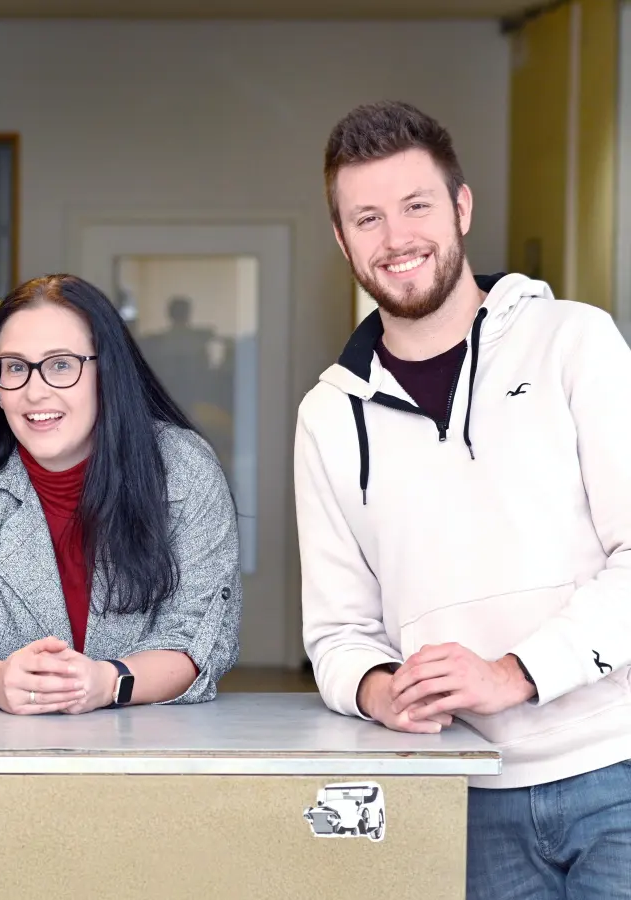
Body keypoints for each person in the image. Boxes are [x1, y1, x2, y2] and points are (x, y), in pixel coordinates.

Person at [298, 100, 631, 898]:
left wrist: (516, 672)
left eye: (416, 205)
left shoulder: (575, 342)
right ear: (343, 241)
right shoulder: (328, 417)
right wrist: (380, 691)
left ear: (461, 207)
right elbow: (338, 633)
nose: (396, 237)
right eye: (367, 218)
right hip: (458, 794)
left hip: (616, 769)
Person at [0, 274, 242, 714]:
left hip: (145, 750)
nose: (34, 391)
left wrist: (108, 681)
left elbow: (198, 635)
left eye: (61, 365)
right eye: (15, 367)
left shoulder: (184, 469)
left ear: (108, 373)